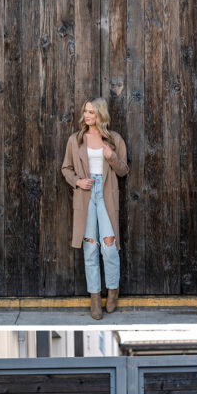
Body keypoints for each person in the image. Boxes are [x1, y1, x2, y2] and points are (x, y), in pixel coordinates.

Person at [61, 99, 129, 320]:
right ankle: (94, 297)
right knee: (90, 247)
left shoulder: (114, 139)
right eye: (85, 111)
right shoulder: (76, 139)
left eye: (92, 112)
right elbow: (66, 168)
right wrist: (78, 182)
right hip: (86, 195)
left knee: (109, 246)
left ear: (100, 115)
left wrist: (111, 156)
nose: (87, 115)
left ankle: (112, 291)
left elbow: (123, 171)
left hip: (106, 193)